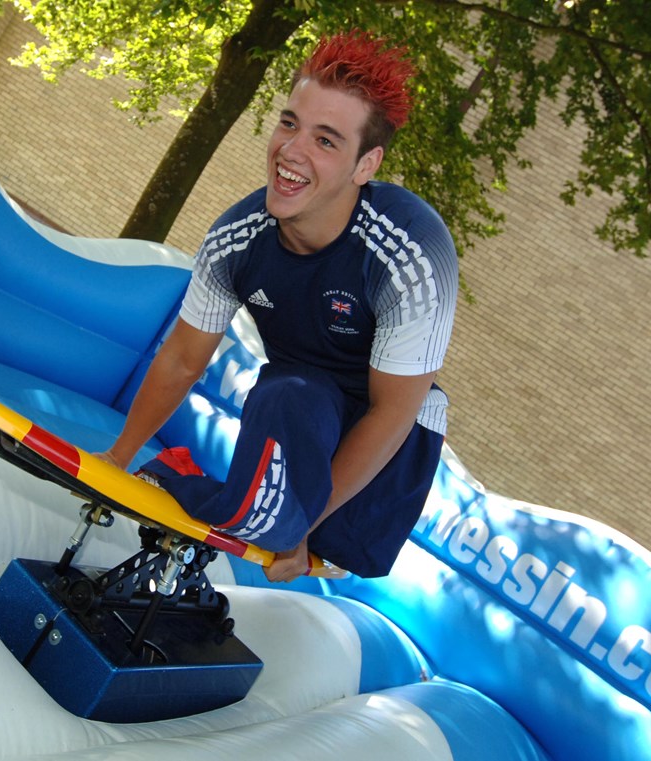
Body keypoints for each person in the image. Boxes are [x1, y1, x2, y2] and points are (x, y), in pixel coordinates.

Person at [99, 31, 458, 583]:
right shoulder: (235, 240)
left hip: (390, 438)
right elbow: (181, 360)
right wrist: (116, 459)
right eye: (289, 123)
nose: (292, 151)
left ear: (367, 165)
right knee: (287, 394)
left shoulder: (412, 252)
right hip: (297, 409)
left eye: (326, 141)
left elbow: (394, 412)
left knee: (334, 542)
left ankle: (234, 499)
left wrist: (305, 525)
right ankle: (209, 489)